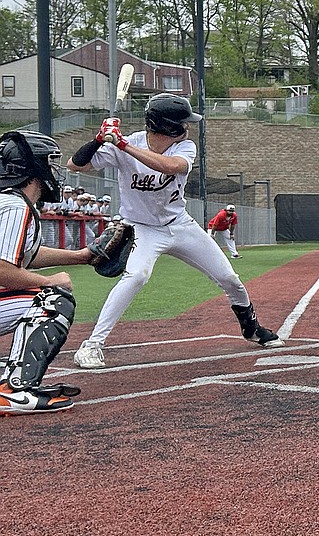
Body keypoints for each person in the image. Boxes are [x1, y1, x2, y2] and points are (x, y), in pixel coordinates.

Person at [66, 94, 284, 369]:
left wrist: (121, 144)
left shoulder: (183, 147)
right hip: (142, 229)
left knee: (229, 278)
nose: (187, 127)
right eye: (182, 122)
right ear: (167, 125)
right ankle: (92, 345)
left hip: (180, 224)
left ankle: (251, 328)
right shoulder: (128, 144)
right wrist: (99, 139)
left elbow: (170, 166)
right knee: (136, 276)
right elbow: (75, 164)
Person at [0, 131, 97, 415]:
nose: (54, 171)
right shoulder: (15, 207)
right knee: (54, 300)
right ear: (34, 167)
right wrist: (50, 281)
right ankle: (15, 391)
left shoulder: (9, 202)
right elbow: (2, 269)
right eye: (50, 163)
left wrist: (81, 257)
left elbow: (25, 255)